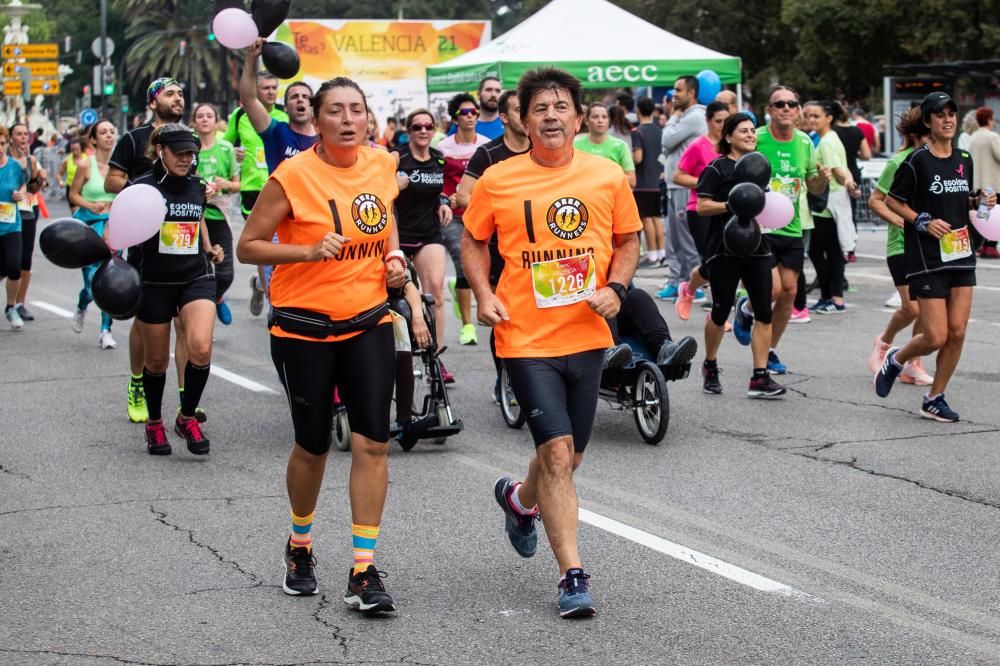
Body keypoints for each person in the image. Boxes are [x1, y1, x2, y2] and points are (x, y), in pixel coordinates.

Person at [462, 67, 642, 618]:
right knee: (557, 455)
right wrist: (482, 291)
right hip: (524, 335)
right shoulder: (500, 179)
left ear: (578, 115)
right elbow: (472, 240)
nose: (551, 116)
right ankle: (572, 577)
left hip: (586, 334)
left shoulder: (606, 174)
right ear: (522, 117)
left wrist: (617, 287)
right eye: (539, 108)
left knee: (572, 455)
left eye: (561, 106)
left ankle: (520, 501)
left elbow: (628, 239)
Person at [236, 77, 407, 610]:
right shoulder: (292, 175)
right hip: (303, 329)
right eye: (336, 111)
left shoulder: (382, 164)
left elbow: (386, 220)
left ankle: (363, 568)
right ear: (319, 118)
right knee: (312, 447)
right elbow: (248, 247)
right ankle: (300, 545)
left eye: (358, 109)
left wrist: (395, 258)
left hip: (369, 320)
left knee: (373, 442)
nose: (349, 120)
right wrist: (307, 250)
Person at [877, 92, 994, 422]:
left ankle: (934, 397)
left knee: (958, 333)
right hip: (927, 257)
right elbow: (893, 201)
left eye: (952, 113)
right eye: (940, 115)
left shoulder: (964, 159)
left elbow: (960, 202)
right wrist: (922, 221)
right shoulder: (916, 161)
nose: (948, 119)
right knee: (936, 336)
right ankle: (897, 358)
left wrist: (980, 200)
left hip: (961, 252)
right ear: (927, 122)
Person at [132, 124, 223, 455]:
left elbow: (197, 222)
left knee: (200, 347)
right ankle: (154, 423)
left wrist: (210, 246)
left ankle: (186, 417)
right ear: (161, 152)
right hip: (154, 282)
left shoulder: (199, 187)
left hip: (194, 277)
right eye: (180, 153)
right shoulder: (141, 188)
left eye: (191, 153)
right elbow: (122, 234)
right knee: (157, 362)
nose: (187, 159)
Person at [107, 76, 193, 425]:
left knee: (184, 321)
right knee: (146, 323)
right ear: (153, 101)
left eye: (181, 94)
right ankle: (138, 383)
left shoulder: (188, 139)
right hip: (145, 244)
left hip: (182, 242)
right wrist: (144, 197)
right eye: (170, 94)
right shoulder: (133, 139)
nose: (178, 99)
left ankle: (187, 400)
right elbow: (111, 180)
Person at [737, 86, 829, 375]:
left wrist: (822, 180)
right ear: (770, 110)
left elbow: (812, 184)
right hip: (761, 227)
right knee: (772, 289)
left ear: (798, 110)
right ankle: (747, 309)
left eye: (792, 103)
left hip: (792, 226)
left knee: (789, 293)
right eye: (780, 104)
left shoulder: (804, 142)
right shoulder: (758, 138)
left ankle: (770, 348)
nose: (786, 108)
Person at [695, 113, 785, 398]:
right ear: (729, 136)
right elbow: (702, 206)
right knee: (720, 312)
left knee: (764, 311)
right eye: (743, 131)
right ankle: (710, 364)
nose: (749, 135)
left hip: (757, 247)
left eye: (752, 131)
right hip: (724, 249)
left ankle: (760, 377)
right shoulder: (717, 168)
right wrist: (731, 204)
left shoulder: (760, 167)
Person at [454, 89, 531, 398]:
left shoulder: (542, 150)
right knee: (504, 317)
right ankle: (505, 379)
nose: (524, 116)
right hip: (498, 247)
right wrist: (503, 208)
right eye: (517, 110)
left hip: (536, 247)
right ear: (503, 117)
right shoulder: (489, 153)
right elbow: (462, 195)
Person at [866, 106, 934, 386]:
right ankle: (883, 343)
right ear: (918, 136)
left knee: (926, 310)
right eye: (930, 134)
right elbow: (875, 200)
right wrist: (900, 221)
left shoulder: (937, 160)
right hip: (901, 246)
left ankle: (913, 364)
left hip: (929, 247)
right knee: (912, 309)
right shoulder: (900, 162)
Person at [391, 108, 453, 381]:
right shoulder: (397, 157)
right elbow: (379, 187)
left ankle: (436, 358)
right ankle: (399, 353)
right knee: (401, 296)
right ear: (409, 131)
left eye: (429, 126)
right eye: (418, 127)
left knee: (436, 294)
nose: (424, 131)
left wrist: (443, 202)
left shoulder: (439, 159)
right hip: (399, 235)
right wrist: (395, 185)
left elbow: (440, 191)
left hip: (428, 233)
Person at [223, 70, 288, 315]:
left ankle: (263, 284)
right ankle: (272, 296)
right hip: (252, 188)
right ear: (257, 90)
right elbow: (227, 142)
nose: (271, 92)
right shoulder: (241, 114)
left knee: (280, 241)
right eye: (266, 88)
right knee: (262, 242)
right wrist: (235, 151)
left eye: (274, 87)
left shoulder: (285, 114)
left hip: (280, 186)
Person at [437, 93, 490, 347]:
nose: (469, 116)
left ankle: (459, 292)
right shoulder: (443, 147)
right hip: (454, 216)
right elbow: (436, 182)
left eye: (473, 112)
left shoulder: (487, 145)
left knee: (483, 265)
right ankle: (468, 326)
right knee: (461, 260)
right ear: (455, 117)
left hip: (481, 214)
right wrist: (446, 199)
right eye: (464, 113)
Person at [672, 101, 730, 319]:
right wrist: (706, 183)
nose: (722, 126)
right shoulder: (698, 145)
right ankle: (718, 313)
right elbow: (677, 176)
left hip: (725, 209)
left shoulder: (732, 146)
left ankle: (688, 290)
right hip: (700, 210)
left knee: (722, 261)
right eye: (718, 121)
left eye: (726, 121)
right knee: (713, 261)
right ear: (708, 121)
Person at [69, 119, 118, 349]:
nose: (109, 136)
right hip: (88, 228)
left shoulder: (120, 167)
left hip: (115, 227)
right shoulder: (85, 165)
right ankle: (82, 305)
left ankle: (105, 330)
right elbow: (73, 195)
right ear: (93, 139)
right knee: (91, 284)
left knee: (109, 281)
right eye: (103, 132)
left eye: (111, 132)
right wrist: (90, 205)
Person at [805, 101, 856, 314]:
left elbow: (837, 170)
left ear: (829, 118)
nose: (811, 120)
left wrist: (848, 183)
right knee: (825, 251)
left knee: (825, 252)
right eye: (808, 116)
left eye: (816, 116)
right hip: (830, 203)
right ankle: (830, 296)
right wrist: (849, 183)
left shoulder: (827, 142)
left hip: (827, 205)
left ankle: (834, 298)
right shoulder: (829, 139)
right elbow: (845, 168)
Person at [658, 76, 706, 298]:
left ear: (692, 92)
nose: (674, 94)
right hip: (673, 184)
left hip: (683, 185)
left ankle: (695, 284)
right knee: (674, 236)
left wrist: (672, 118)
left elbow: (667, 141)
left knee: (686, 237)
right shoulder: (685, 117)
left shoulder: (695, 116)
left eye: (678, 90)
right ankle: (679, 282)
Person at [193, 103, 240, 325]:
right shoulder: (189, 148)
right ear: (194, 122)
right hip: (193, 219)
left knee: (225, 274)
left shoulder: (226, 148)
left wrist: (225, 184)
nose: (204, 119)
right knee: (199, 275)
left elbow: (238, 185)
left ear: (215, 120)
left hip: (220, 217)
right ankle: (203, 320)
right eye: (200, 116)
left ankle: (218, 298)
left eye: (209, 116)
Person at [240, 39, 317, 174]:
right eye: (294, 97)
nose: (300, 99)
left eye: (305, 97)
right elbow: (249, 100)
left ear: (313, 106)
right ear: (285, 107)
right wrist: (251, 58)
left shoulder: (326, 139)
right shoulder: (275, 132)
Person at [8, 122, 47, 323]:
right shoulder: (4, 158)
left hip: (27, 211)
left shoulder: (31, 160)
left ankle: (19, 303)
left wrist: (40, 180)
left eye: (26, 134)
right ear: (10, 138)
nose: (24, 137)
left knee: (25, 259)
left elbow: (33, 188)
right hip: (5, 213)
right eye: (19, 134)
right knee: (7, 261)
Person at [0, 128, 29, 330]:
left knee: (13, 267)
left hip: (12, 224)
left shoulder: (15, 166)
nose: (0, 148)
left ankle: (11, 307)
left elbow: (23, 185)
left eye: (2, 144)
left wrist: (20, 193)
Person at [633, 96, 666, 268]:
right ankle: (662, 253)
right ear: (653, 111)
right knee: (656, 218)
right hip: (657, 180)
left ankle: (652, 256)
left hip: (642, 182)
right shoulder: (660, 130)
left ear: (638, 110)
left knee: (646, 219)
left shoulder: (637, 132)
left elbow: (638, 158)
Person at [573, 103, 636, 187]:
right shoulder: (575, 145)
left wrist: (605, 176)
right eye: (595, 117)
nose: (600, 120)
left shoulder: (620, 146)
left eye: (604, 117)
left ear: (608, 121)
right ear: (587, 121)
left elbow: (632, 180)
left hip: (611, 198)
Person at [968, 106, 1000, 259]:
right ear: (988, 120)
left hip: (978, 184)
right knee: (995, 218)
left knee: (982, 216)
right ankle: (990, 247)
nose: (993, 122)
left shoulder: (973, 136)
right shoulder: (992, 137)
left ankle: (978, 245)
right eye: (993, 119)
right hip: (993, 184)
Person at [57, 138, 86, 208]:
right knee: (75, 213)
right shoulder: (67, 161)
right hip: (71, 188)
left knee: (85, 212)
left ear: (81, 148)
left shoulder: (87, 159)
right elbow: (59, 173)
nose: (75, 151)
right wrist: (60, 181)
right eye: (73, 149)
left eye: (77, 149)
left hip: (84, 188)